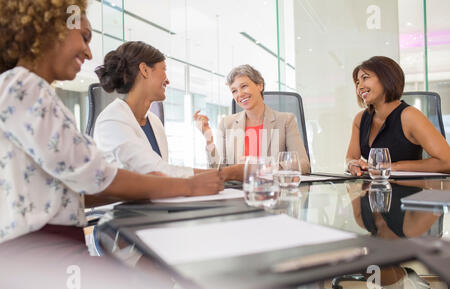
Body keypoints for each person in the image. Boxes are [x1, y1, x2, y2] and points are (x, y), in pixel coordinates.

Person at [0, 0, 223, 243]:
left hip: (49, 244)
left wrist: (160, 185)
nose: (89, 53)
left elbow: (78, 189)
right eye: (84, 38)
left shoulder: (28, 90)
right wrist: (187, 186)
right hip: (40, 250)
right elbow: (96, 176)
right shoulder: (23, 87)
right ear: (52, 29)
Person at [93, 41, 242, 180]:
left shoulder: (154, 121)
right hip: (124, 208)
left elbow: (164, 175)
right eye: (163, 69)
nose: (168, 80)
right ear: (144, 70)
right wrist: (229, 173)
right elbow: (157, 172)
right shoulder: (112, 120)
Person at [193, 64, 310, 173]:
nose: (240, 94)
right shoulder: (226, 123)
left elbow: (304, 165)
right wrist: (208, 138)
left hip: (273, 191)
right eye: (234, 91)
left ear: (260, 85)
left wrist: (267, 167)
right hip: (239, 191)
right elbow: (216, 171)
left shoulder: (285, 120)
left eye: (244, 86)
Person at [346, 56, 450, 176]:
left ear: (386, 78)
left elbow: (446, 161)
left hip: (407, 193)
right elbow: (351, 157)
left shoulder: (409, 116)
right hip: (372, 190)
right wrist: (352, 164)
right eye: (357, 82)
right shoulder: (360, 119)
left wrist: (393, 166)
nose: (359, 87)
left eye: (365, 78)